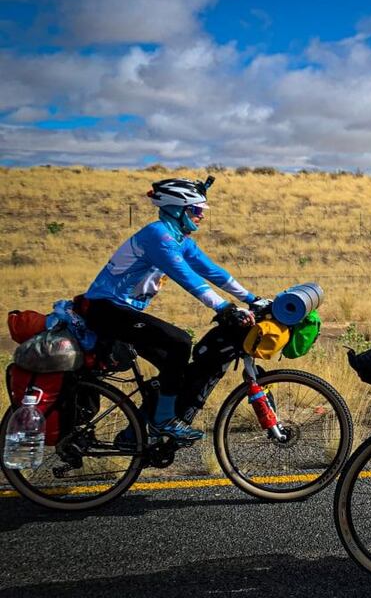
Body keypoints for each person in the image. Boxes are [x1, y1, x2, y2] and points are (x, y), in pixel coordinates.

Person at [84, 177, 259, 443]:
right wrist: (223, 307)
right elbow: (185, 275)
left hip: (123, 311)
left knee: (173, 368)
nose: (201, 216)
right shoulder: (158, 235)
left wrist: (252, 298)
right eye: (196, 210)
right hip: (107, 309)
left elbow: (211, 270)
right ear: (177, 209)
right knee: (180, 342)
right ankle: (163, 422)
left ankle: (138, 431)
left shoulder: (180, 239)